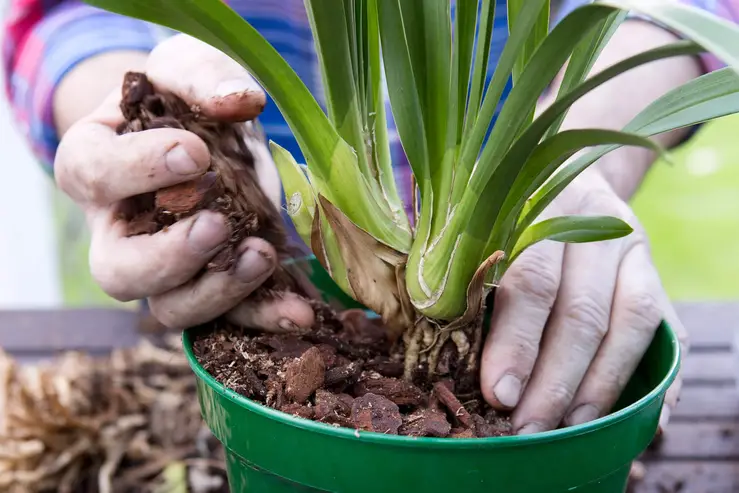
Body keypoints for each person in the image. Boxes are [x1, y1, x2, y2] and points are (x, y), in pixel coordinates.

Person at [2, 0, 736, 435]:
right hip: (264, 257)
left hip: (518, 221)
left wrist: (578, 158)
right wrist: (157, 124)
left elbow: (688, 12)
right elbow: (59, 19)